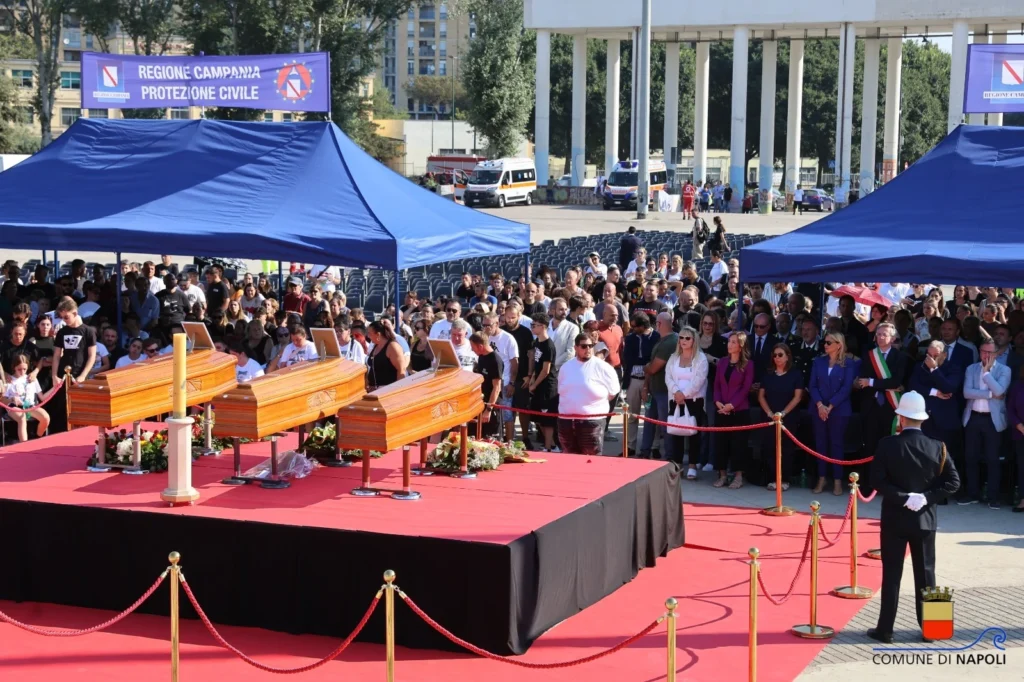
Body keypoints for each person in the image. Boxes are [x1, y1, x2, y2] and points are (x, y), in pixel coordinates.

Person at [867, 391, 960, 645]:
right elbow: (953, 482)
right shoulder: (937, 446)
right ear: (922, 419)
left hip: (895, 518)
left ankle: (885, 629)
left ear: (901, 418)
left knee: (892, 574)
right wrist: (926, 497)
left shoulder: (887, 444)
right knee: (928, 573)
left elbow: (876, 480)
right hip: (925, 519)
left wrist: (902, 496)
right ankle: (935, 629)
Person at [959, 340, 1011, 508]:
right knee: (971, 457)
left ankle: (993, 496)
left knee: (992, 459)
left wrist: (987, 374)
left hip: (992, 419)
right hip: (973, 417)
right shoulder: (971, 368)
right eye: (983, 351)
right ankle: (972, 493)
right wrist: (989, 394)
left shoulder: (1004, 370)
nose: (986, 355)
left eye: (990, 352)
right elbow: (967, 392)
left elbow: (1000, 391)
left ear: (996, 354)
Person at [808, 331, 858, 495]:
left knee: (836, 445)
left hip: (839, 410)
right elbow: (812, 385)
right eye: (825, 342)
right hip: (818, 408)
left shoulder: (848, 364)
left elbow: (846, 388)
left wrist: (830, 406)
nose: (825, 345)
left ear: (839, 344)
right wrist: (820, 405)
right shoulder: (818, 362)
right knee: (820, 444)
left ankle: (837, 481)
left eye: (829, 342)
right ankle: (821, 478)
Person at [557, 333, 620, 455]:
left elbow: (613, 392)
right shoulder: (566, 367)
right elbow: (561, 390)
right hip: (566, 421)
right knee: (568, 459)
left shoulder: (603, 367)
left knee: (591, 460)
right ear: (576, 348)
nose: (588, 349)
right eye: (584, 346)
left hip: (592, 422)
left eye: (591, 346)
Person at [856, 323, 909, 466]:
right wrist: (883, 384)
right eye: (878, 334)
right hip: (871, 406)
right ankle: (869, 484)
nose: (880, 337)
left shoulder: (900, 357)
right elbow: (862, 380)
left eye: (884, 334)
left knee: (889, 445)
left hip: (890, 407)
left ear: (892, 339)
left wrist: (872, 382)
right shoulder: (869, 355)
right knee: (869, 446)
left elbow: (895, 381)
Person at [758, 343, 804, 491]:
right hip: (770, 417)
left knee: (787, 449)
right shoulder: (768, 374)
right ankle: (772, 479)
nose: (777, 358)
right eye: (775, 355)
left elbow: (797, 397)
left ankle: (784, 480)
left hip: (788, 418)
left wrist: (783, 413)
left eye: (780, 355)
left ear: (787, 356)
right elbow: (761, 396)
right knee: (770, 448)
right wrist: (770, 413)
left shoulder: (795, 374)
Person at [665, 326, 709, 476]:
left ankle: (692, 466)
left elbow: (699, 380)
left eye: (687, 338)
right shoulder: (673, 357)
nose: (683, 340)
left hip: (694, 401)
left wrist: (683, 394)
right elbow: (668, 377)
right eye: (681, 337)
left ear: (694, 340)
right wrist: (676, 393)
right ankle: (677, 465)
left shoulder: (700, 359)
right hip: (675, 399)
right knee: (676, 433)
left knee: (694, 435)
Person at [713, 331, 755, 488]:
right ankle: (722, 475)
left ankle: (738, 476)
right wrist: (718, 402)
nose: (729, 345)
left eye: (733, 342)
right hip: (721, 409)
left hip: (739, 410)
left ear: (741, 345)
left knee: (739, 444)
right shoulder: (722, 362)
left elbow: (745, 388)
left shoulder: (748, 364)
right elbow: (717, 384)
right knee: (721, 443)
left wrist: (732, 405)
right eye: (729, 341)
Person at [50, 298, 97, 433]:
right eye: (62, 317)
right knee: (61, 407)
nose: (64, 320)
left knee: (81, 406)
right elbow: (57, 355)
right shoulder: (62, 332)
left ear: (75, 313)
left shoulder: (88, 331)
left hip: (80, 373)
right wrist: (54, 375)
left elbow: (92, 356)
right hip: (63, 374)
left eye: (67, 317)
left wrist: (83, 375)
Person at [640, 312, 678, 460]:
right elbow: (651, 367)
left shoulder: (671, 342)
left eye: (657, 323)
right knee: (649, 423)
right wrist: (645, 386)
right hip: (654, 390)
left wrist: (646, 368)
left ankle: (669, 456)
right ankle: (645, 451)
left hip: (665, 391)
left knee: (665, 425)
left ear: (660, 324)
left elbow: (653, 367)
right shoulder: (661, 341)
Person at [527, 313, 558, 452]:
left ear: (543, 326)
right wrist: (532, 377)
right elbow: (536, 364)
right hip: (538, 383)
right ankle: (551, 444)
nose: (532, 327)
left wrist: (534, 385)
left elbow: (546, 370)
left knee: (547, 419)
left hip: (547, 386)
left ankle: (548, 447)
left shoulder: (549, 345)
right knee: (537, 416)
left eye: (535, 325)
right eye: (531, 325)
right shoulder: (537, 342)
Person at [4, 353, 49, 441]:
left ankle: (37, 437)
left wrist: (56, 387)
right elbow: (3, 399)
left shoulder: (31, 378)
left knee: (45, 418)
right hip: (14, 407)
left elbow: (42, 397)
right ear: (14, 368)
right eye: (19, 369)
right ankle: (24, 445)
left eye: (24, 369)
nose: (22, 372)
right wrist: (12, 399)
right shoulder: (9, 380)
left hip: (29, 406)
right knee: (22, 418)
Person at [470, 332, 502, 438]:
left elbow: (497, 387)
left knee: (490, 439)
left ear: (480, 346)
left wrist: (488, 410)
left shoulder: (495, 361)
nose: (471, 350)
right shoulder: (481, 357)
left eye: (473, 347)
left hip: (491, 406)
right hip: (480, 403)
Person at [366, 320, 406, 389]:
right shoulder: (375, 345)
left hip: (387, 391)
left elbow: (401, 370)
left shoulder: (393, 347)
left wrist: (397, 390)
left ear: (378, 334)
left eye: (370, 333)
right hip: (373, 391)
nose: (368, 336)